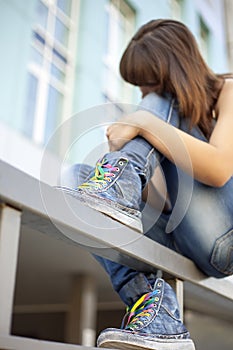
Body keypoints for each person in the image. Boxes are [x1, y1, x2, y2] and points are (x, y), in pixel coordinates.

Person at [59, 19, 233, 350]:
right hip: (189, 236)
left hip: (227, 235)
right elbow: (166, 207)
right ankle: (157, 315)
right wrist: (128, 166)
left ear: (175, 70)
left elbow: (221, 169)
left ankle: (118, 182)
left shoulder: (229, 90)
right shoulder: (164, 122)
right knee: (75, 183)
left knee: (155, 111)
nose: (143, 95)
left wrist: (142, 122)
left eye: (148, 86)